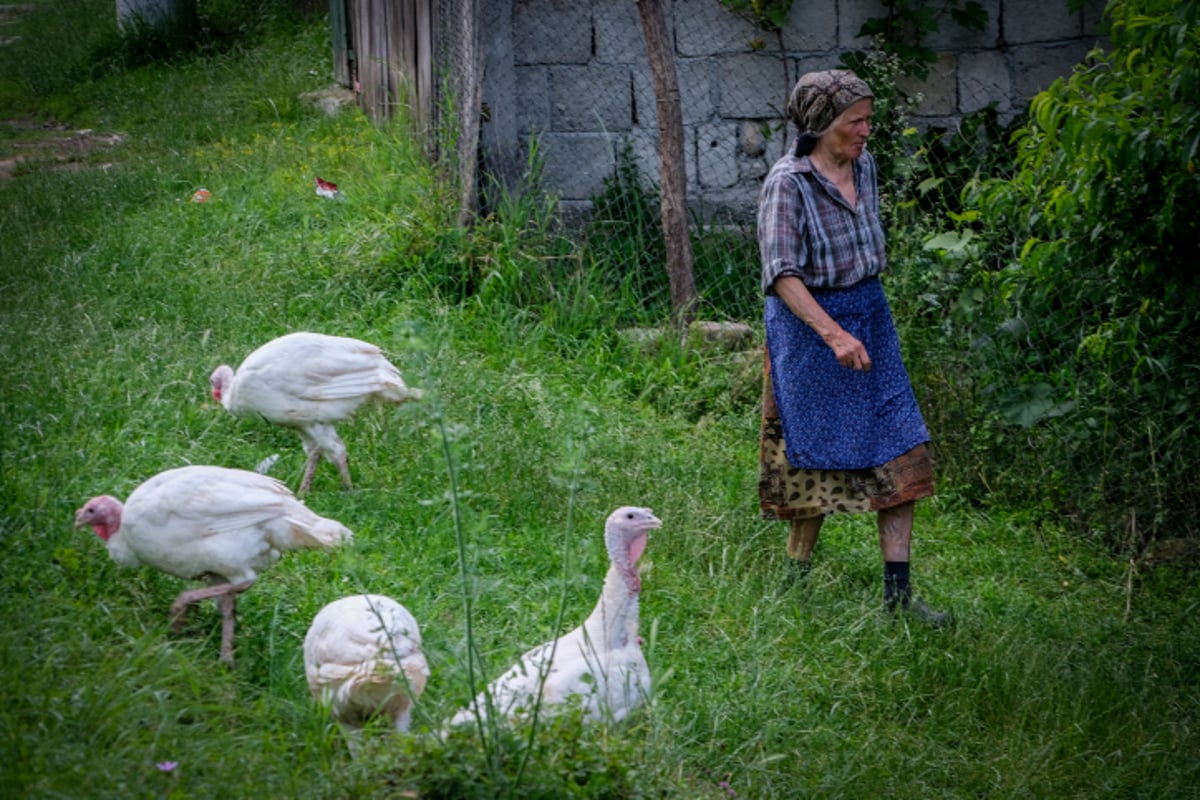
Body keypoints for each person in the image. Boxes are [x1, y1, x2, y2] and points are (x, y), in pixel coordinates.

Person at [756, 69, 949, 625]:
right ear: (820, 125)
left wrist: (859, 323)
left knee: (901, 445)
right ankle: (793, 589)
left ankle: (898, 600)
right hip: (811, 328)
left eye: (868, 118)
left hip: (870, 314)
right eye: (855, 120)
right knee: (813, 460)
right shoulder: (787, 184)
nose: (868, 130)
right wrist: (833, 333)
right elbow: (781, 274)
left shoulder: (864, 165)